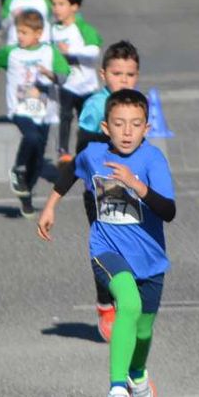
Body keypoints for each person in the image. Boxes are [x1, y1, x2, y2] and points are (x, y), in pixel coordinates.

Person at [37, 89, 174, 397]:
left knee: (143, 329)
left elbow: (168, 211)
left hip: (150, 259)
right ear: (105, 126)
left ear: (147, 127)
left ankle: (137, 373)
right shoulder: (94, 154)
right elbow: (71, 172)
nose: (127, 132)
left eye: (136, 124)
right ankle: (116, 391)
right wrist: (50, 206)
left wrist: (135, 185)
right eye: (119, 124)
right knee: (128, 304)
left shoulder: (153, 160)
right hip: (106, 249)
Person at [40, 41, 143, 343]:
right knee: (108, 250)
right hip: (100, 190)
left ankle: (126, 303)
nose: (124, 80)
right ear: (103, 75)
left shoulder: (139, 104)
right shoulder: (96, 106)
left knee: (132, 250)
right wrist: (52, 204)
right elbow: (80, 159)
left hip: (130, 188)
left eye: (130, 74)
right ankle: (104, 305)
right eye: (117, 73)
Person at [0, 10, 72, 217]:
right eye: (18, 32)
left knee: (38, 159)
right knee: (30, 136)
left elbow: (65, 76)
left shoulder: (50, 52)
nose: (20, 36)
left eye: (24, 32)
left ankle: (26, 194)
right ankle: (18, 169)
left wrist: (51, 74)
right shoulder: (11, 52)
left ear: (38, 33)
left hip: (44, 111)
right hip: (19, 109)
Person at [47, 0, 102, 160]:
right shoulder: (51, 30)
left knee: (86, 121)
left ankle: (85, 152)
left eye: (61, 4)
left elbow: (94, 51)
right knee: (64, 116)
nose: (56, 9)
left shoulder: (83, 28)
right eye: (54, 4)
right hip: (66, 84)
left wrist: (70, 51)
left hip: (86, 85)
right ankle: (63, 152)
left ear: (74, 6)